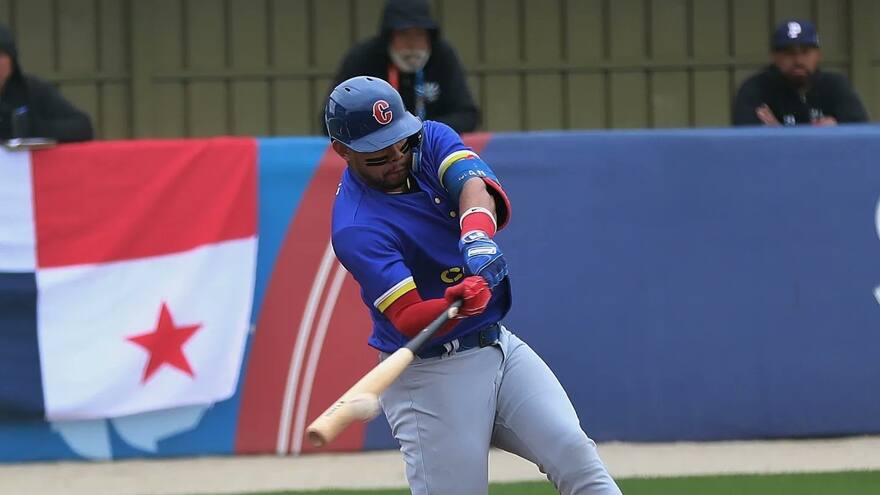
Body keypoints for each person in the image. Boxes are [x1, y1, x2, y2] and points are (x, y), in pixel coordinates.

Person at [326, 75, 622, 495]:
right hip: (429, 378)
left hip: (497, 348)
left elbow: (473, 185)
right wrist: (455, 303)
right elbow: (409, 317)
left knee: (577, 457)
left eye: (399, 143)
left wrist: (475, 236)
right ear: (343, 150)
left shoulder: (426, 139)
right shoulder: (357, 226)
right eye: (378, 154)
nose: (396, 157)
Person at [324, 0, 479, 134]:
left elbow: (467, 114)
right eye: (404, 34)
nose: (412, 44)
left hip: (430, 147)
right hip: (376, 150)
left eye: (419, 34)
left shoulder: (442, 55)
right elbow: (331, 119)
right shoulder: (363, 58)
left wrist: (421, 132)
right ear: (389, 36)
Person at [733, 20, 869, 126]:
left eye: (805, 52)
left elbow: (861, 131)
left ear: (818, 55)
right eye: (789, 53)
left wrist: (779, 134)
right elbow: (747, 141)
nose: (798, 60)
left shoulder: (835, 85)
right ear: (774, 57)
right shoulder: (755, 89)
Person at [0, 23, 93, 142]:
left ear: (12, 61)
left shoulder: (33, 90)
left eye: (1, 54)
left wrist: (32, 128)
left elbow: (83, 127)